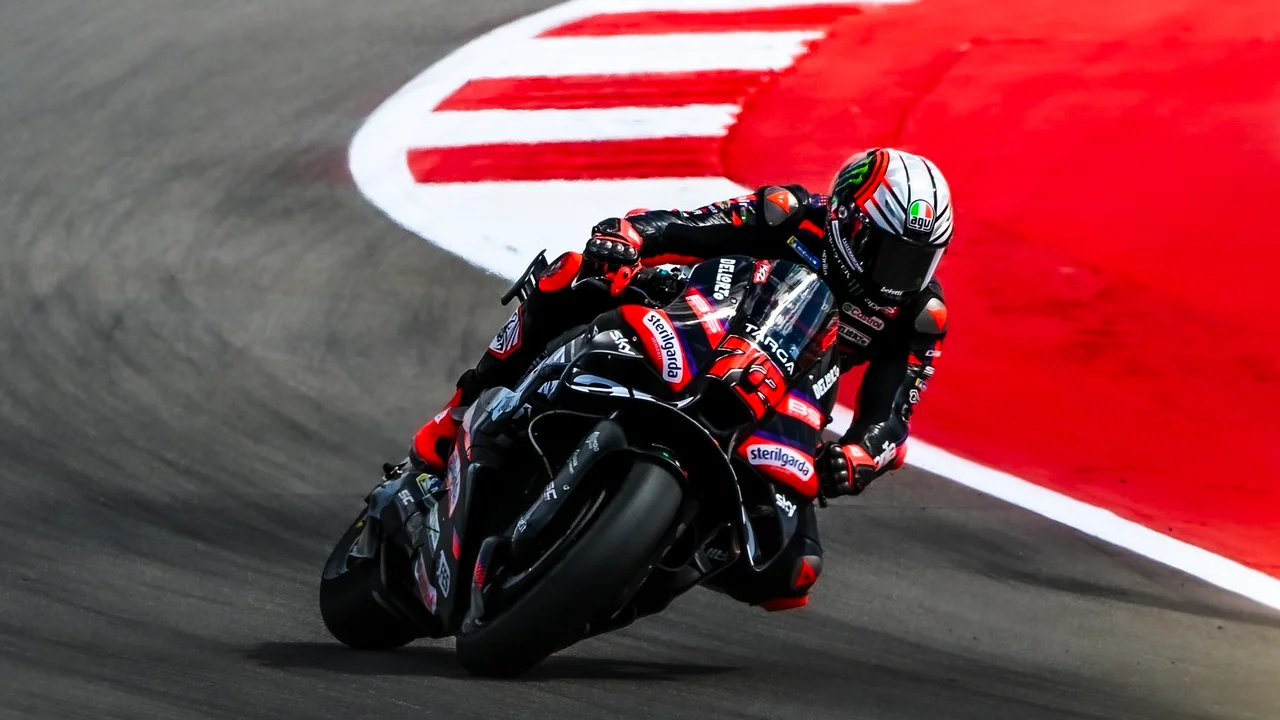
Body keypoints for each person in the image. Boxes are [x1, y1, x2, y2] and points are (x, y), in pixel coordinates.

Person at [405, 147, 952, 609]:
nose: (899, 277)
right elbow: (688, 225)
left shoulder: (919, 315)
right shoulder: (788, 214)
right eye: (890, 254)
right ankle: (457, 413)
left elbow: (892, 416)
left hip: (782, 393)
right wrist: (628, 238)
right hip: (700, 317)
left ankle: (640, 569)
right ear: (847, 222)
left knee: (792, 571)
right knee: (573, 276)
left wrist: (859, 455)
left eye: (918, 261)